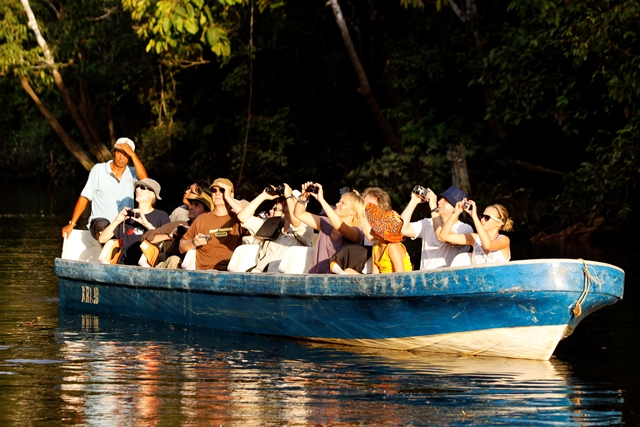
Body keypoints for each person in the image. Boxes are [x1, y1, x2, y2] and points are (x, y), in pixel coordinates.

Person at [62, 138, 148, 240]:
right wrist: (72, 223)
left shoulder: (132, 172)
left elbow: (146, 181)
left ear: (129, 157)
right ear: (113, 152)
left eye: (126, 154)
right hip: (100, 224)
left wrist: (133, 155)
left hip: (123, 225)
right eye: (119, 152)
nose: (121, 157)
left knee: (136, 228)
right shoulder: (98, 170)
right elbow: (84, 197)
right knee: (103, 225)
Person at [236, 184, 314, 272]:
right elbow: (243, 217)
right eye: (284, 200)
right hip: (261, 275)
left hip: (286, 279)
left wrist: (288, 195)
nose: (286, 202)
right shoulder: (272, 224)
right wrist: (263, 196)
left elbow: (296, 222)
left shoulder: (306, 227)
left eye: (291, 200)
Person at [294, 182, 365, 274]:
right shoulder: (326, 223)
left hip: (338, 284)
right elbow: (299, 214)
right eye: (339, 201)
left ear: (353, 212)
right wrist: (304, 197)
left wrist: (322, 200)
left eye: (342, 203)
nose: (337, 204)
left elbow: (340, 226)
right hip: (316, 280)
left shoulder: (357, 233)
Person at [98, 178, 170, 265]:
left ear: (153, 195)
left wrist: (146, 224)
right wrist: (117, 220)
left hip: (147, 266)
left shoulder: (161, 216)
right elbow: (102, 239)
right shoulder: (127, 216)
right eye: (137, 187)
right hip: (123, 264)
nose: (137, 189)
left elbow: (167, 239)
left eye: (143, 187)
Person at [400, 185, 473, 269]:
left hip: (447, 279)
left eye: (446, 201)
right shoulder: (428, 223)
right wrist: (413, 201)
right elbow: (402, 229)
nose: (439, 202)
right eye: (441, 198)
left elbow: (442, 236)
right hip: (425, 279)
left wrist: (433, 207)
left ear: (457, 207)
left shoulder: (464, 228)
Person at [179, 178, 244, 271]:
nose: (217, 193)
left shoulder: (238, 219)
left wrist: (229, 198)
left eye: (222, 190)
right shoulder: (201, 219)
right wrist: (193, 242)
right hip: (202, 273)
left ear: (231, 194)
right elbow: (182, 247)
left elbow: (248, 219)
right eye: (214, 190)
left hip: (230, 273)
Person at [140, 188, 213, 268]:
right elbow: (147, 238)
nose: (191, 207)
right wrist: (170, 236)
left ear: (206, 211)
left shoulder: (208, 230)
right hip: (167, 267)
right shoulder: (178, 225)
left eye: (196, 205)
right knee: (174, 259)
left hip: (197, 269)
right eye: (191, 204)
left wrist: (192, 235)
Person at [329, 186, 392, 274]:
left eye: (369, 205)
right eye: (363, 204)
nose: (365, 208)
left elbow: (372, 238)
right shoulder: (357, 228)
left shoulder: (387, 235)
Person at [440, 201, 513, 264]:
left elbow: (487, 245)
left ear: (499, 223)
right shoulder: (474, 238)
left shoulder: (504, 240)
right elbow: (444, 236)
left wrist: (474, 217)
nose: (482, 219)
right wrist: (455, 213)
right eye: (482, 216)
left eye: (487, 217)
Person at [365, 203, 412, 273]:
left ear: (384, 235)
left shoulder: (393, 247)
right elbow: (375, 276)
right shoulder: (376, 246)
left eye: (377, 226)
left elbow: (401, 278)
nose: (372, 226)